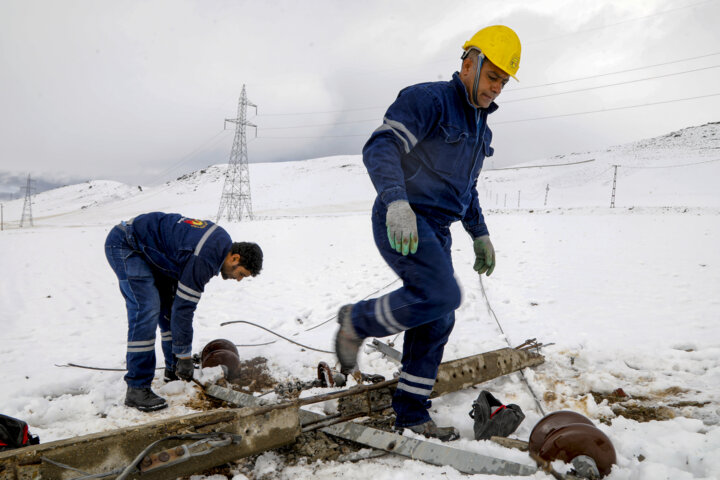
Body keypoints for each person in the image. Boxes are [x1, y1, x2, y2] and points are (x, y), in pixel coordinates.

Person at [334, 25, 521, 441]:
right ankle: (355, 322)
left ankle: (411, 413)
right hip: (402, 214)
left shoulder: (481, 131)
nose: (497, 89)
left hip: (437, 228)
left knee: (439, 316)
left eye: (504, 82)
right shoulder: (428, 100)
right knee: (442, 296)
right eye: (493, 77)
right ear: (468, 64)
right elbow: (381, 146)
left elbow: (466, 190)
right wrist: (397, 202)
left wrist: (480, 233)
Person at [104, 212, 263, 412]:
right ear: (235, 258)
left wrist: (181, 359)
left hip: (157, 255)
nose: (238, 279)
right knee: (147, 309)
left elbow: (177, 308)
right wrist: (186, 357)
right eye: (240, 274)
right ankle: (137, 387)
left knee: (168, 309)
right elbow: (185, 309)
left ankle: (173, 370)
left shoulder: (220, 244)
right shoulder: (204, 258)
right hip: (127, 244)